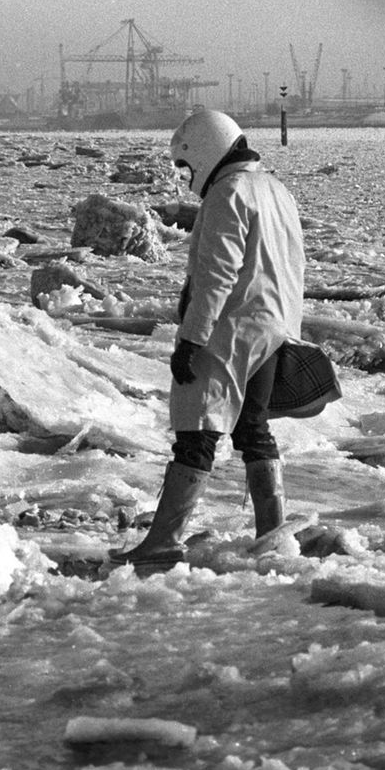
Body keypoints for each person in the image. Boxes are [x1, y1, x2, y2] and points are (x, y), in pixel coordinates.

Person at [112, 109, 305, 570]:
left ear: (204, 149)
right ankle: (272, 536)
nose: (185, 175)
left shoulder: (228, 193)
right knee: (253, 430)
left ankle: (162, 543)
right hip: (273, 327)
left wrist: (192, 340)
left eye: (185, 164)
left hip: (230, 328)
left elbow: (217, 274)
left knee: (196, 432)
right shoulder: (275, 189)